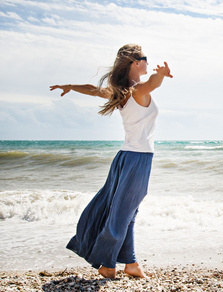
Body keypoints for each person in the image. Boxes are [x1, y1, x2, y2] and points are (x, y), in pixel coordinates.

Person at [50, 44, 173, 279]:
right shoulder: (136, 91)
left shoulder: (121, 91)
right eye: (145, 59)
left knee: (129, 212)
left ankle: (131, 263)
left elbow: (93, 90)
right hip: (136, 158)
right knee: (121, 214)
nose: (148, 62)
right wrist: (161, 75)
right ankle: (106, 264)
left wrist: (70, 87)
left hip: (127, 158)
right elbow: (152, 85)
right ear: (136, 63)